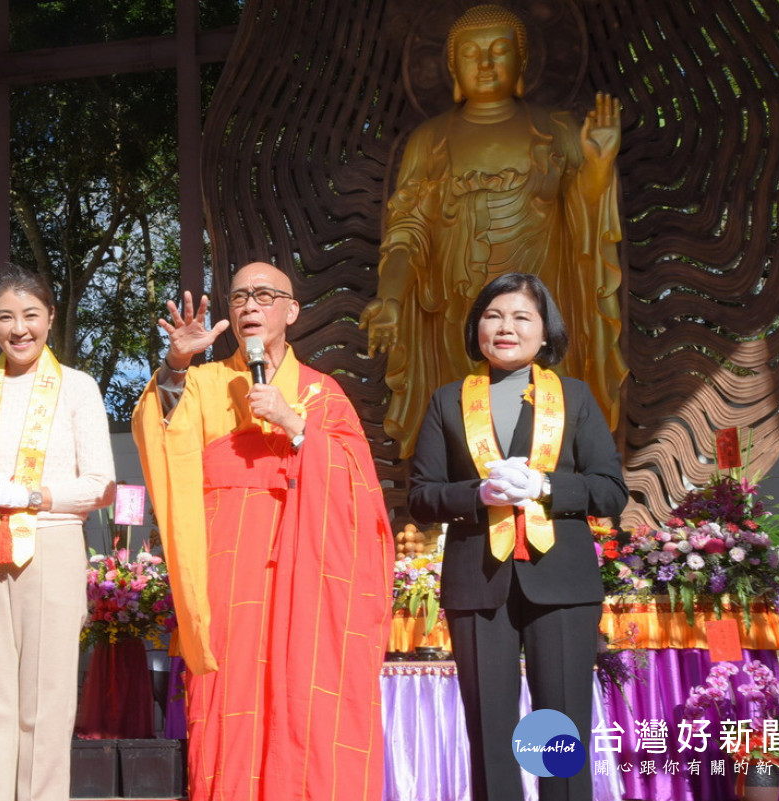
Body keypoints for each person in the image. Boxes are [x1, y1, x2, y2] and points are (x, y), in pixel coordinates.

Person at [132, 261, 394, 801]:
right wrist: (177, 363)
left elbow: (361, 491)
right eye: (239, 297)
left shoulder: (322, 394)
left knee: (307, 696)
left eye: (265, 295)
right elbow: (161, 434)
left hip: (309, 579)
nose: (250, 306)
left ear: (292, 311)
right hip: (229, 576)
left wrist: (297, 427)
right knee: (227, 703)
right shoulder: (203, 382)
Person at [361, 4, 626, 458]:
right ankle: (456, 505)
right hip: (455, 303)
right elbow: (407, 229)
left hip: (540, 295)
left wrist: (598, 168)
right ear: (452, 66)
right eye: (472, 53)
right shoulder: (430, 139)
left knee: (545, 400)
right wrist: (390, 296)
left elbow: (586, 217)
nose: (485, 64)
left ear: (523, 63)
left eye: (500, 50)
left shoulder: (556, 129)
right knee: (460, 401)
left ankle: (557, 494)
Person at [407, 272, 628, 801]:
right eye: (493, 315)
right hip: (478, 583)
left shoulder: (574, 398)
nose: (506, 327)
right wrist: (476, 496)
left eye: (521, 316)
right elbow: (421, 496)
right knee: (490, 729)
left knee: (558, 727)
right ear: (476, 327)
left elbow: (610, 491)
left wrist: (547, 485)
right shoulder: (447, 402)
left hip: (563, 586)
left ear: (545, 332)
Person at [0, 266, 115, 801]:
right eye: (5, 317)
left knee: (47, 695)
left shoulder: (77, 388)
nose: (19, 328)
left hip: (50, 544)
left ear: (50, 319)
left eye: (30, 315)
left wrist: (34, 496)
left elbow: (100, 484)